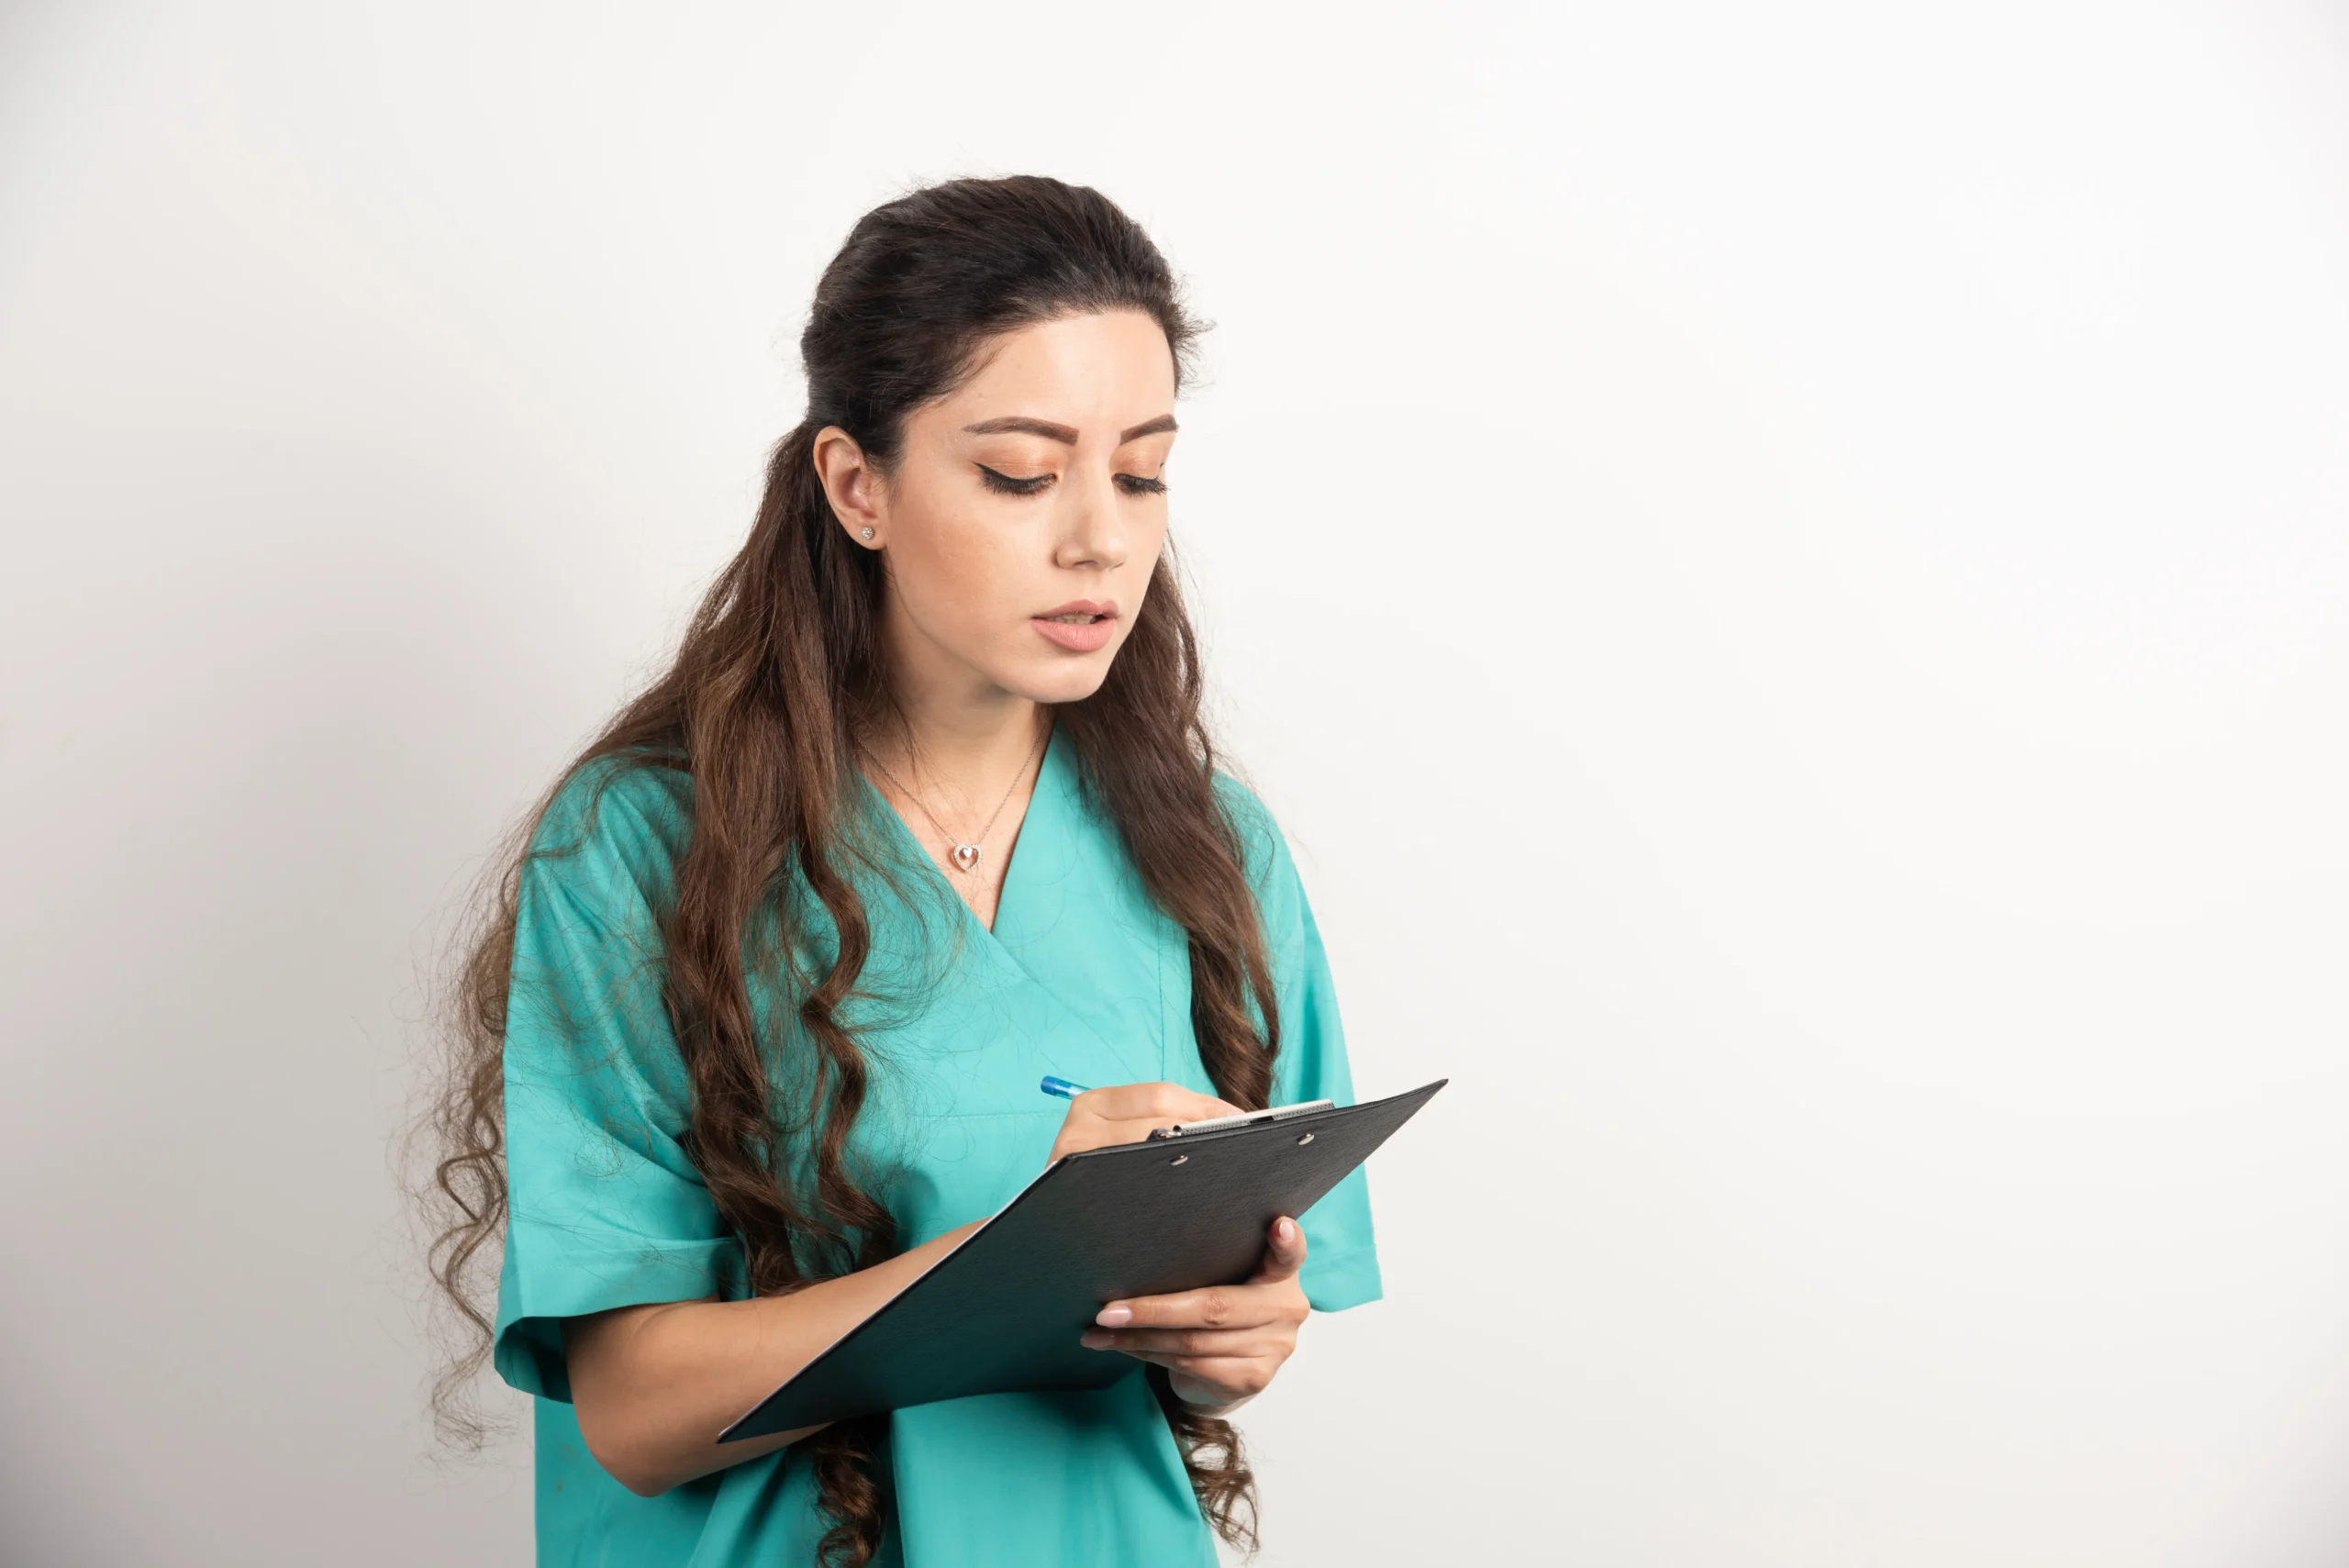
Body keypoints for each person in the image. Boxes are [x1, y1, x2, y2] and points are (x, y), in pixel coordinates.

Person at [417, 174, 1380, 1568]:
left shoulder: (1214, 854)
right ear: (857, 485)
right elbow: (631, 1415)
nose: (1099, 537)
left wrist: (1235, 1337)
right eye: (1019, 473)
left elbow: (1230, 1345)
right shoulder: (643, 846)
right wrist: (1027, 1256)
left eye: (1142, 470)